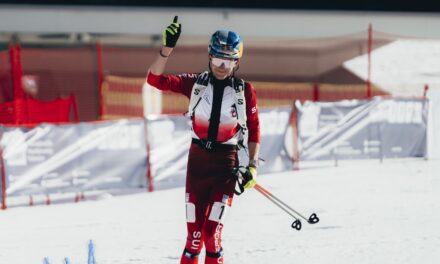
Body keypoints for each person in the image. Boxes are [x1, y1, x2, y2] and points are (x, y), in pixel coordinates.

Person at [146, 16, 261, 264]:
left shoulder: (244, 91)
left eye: (228, 61)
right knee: (194, 239)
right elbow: (154, 80)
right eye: (218, 59)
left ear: (237, 62)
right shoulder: (196, 83)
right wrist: (166, 49)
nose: (221, 67)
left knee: (211, 236)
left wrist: (252, 165)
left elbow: (253, 128)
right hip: (197, 164)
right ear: (210, 57)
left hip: (226, 165)